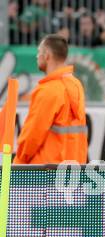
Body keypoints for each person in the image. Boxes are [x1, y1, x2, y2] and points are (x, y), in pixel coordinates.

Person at [14, 34, 88, 164]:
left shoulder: (48, 90)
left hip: (44, 173)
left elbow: (31, 137)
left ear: (47, 55)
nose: (37, 56)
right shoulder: (76, 85)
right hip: (72, 173)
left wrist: (18, 163)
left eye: (39, 52)